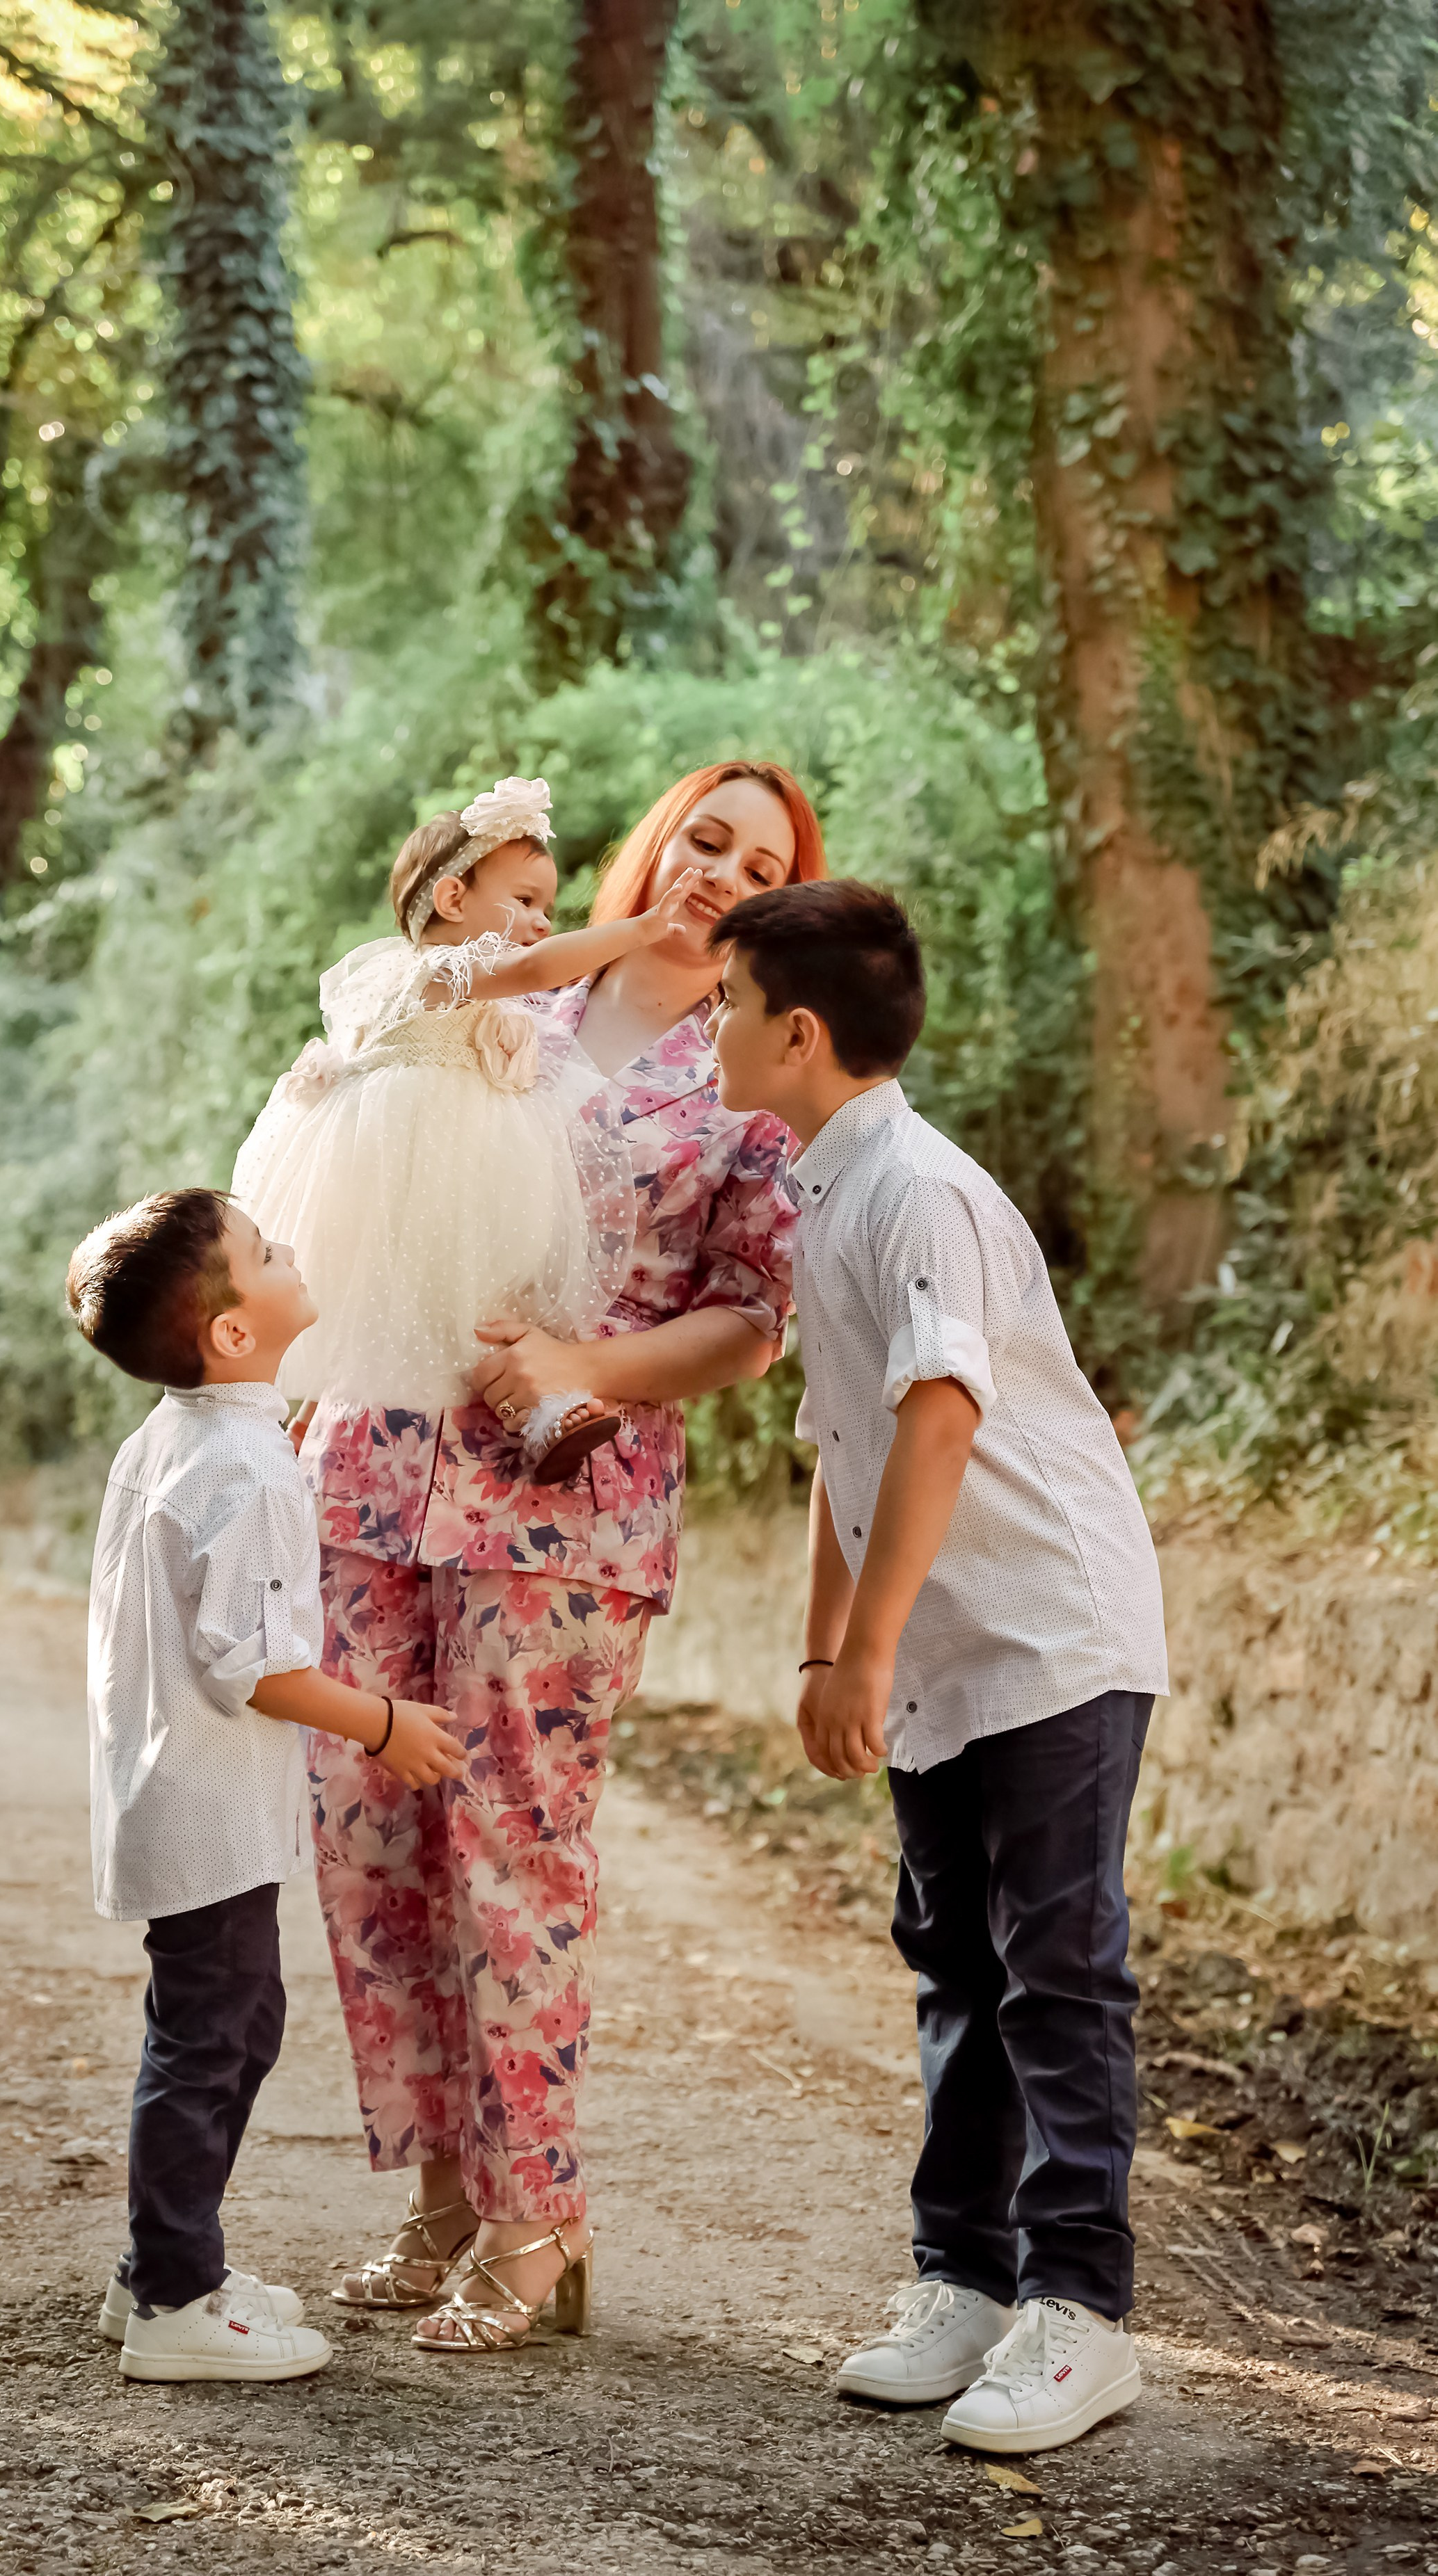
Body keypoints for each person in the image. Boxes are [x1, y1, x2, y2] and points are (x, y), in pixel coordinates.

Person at [298, 761, 822, 2353]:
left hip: (563, 1508)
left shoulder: (754, 1070)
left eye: (760, 863)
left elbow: (753, 1317)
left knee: (510, 1853)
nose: (720, 870)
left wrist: (581, 1368)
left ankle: (538, 2222)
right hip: (376, 1467)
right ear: (652, 842)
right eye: (704, 837)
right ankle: (439, 2198)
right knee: (373, 1847)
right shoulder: (505, 995)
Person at [708, 880, 1167, 2456]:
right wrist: (826, 1644)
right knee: (955, 1963)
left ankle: (1080, 2309)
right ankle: (965, 2277)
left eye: (724, 1003)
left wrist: (867, 1647)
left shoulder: (919, 1191)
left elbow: (942, 1417)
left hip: (1048, 1632)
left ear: (798, 1034)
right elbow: (842, 1439)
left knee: (1057, 1968)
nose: (711, 1029)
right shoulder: (827, 1190)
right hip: (944, 1652)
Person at [64, 1187, 465, 2383]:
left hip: (183, 1794)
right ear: (234, 1329)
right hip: (207, 1809)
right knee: (209, 2041)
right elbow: (259, 1666)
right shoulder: (244, 1463)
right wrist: (386, 1723)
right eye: (264, 1249)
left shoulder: (181, 1436)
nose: (289, 1249)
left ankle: (159, 2265)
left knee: (230, 2028)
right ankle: (174, 2302)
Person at [232, 775, 707, 1483]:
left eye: (547, 907)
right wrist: (639, 930)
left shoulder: (477, 990)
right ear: (453, 899)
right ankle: (501, 1409)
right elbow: (535, 966)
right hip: (422, 1163)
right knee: (454, 1292)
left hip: (467, 1159)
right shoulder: (434, 971)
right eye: (525, 901)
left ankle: (536, 1409)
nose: (541, 921)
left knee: (487, 1295)